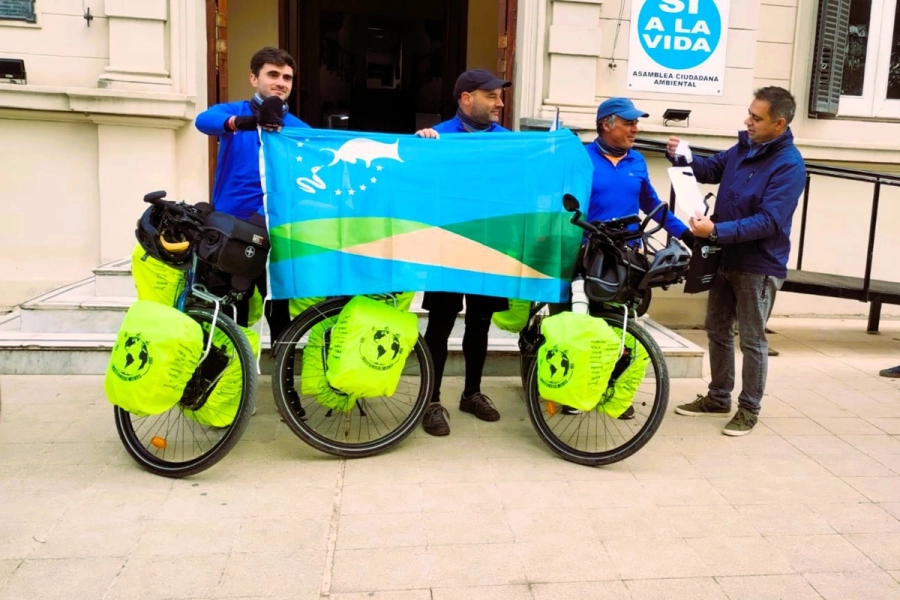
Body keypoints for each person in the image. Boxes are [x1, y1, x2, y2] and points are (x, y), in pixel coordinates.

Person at [668, 86, 806, 436]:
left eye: (756, 118)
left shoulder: (789, 166)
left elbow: (768, 221)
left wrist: (715, 230)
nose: (748, 121)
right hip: (724, 257)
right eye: (749, 113)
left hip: (759, 265)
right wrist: (682, 156)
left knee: (753, 340)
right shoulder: (743, 147)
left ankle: (749, 408)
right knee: (716, 329)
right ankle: (718, 397)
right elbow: (710, 168)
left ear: (779, 123)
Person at [413, 68, 512, 436]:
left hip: (490, 243)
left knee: (480, 324)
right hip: (447, 245)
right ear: (466, 98)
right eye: (492, 96)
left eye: (501, 96)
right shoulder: (437, 137)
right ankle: (431, 400)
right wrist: (418, 147)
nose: (500, 103)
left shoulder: (509, 142)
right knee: (439, 324)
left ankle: (472, 393)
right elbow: (410, 178)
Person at [195, 46, 310, 343]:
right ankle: (232, 381)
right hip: (232, 229)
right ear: (253, 78)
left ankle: (281, 379)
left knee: (279, 311)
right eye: (273, 74)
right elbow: (203, 121)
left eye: (287, 77)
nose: (281, 82)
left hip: (276, 230)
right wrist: (245, 124)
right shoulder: (233, 113)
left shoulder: (299, 130)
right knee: (233, 311)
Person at [587, 97, 695, 247]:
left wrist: (686, 234)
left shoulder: (637, 160)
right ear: (606, 125)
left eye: (636, 123)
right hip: (588, 255)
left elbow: (651, 204)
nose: (636, 129)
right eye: (628, 123)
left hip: (628, 257)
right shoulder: (581, 158)